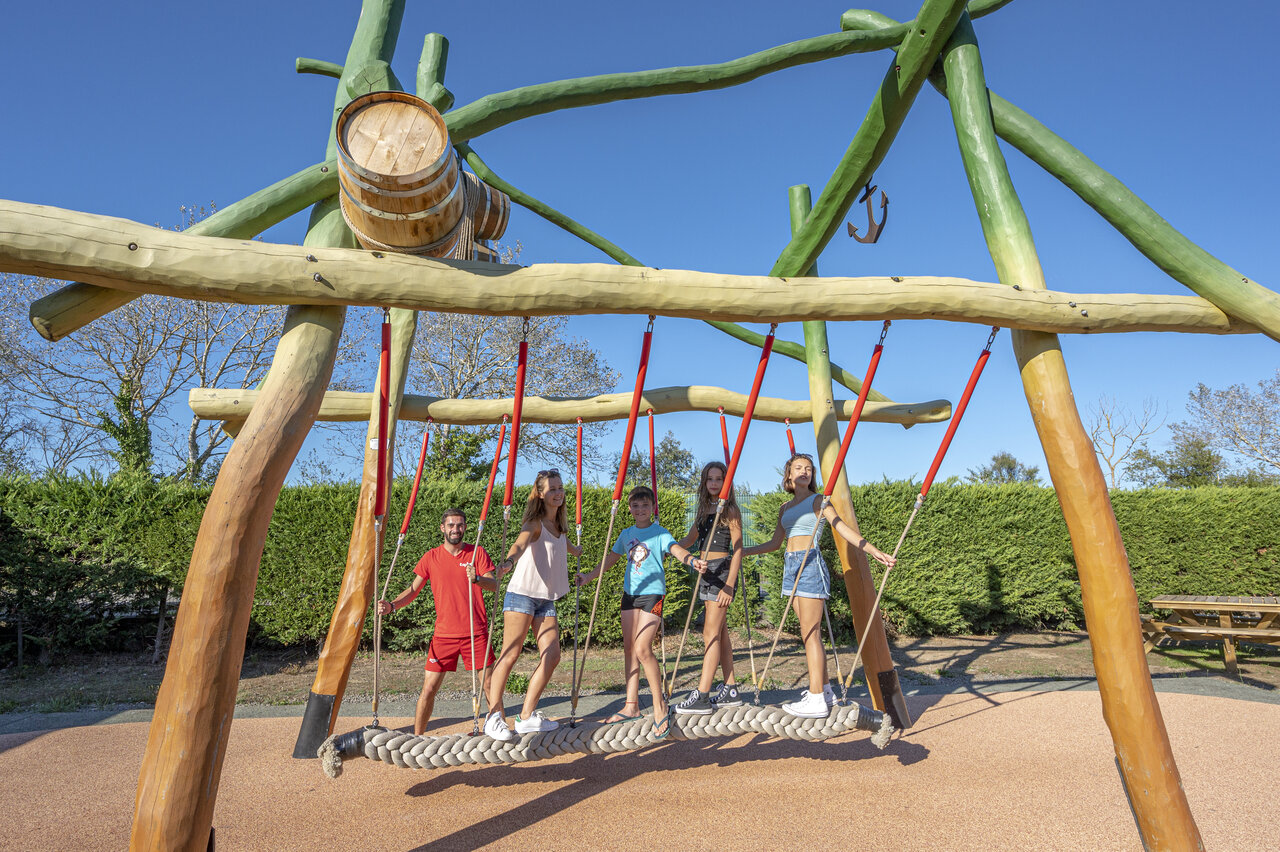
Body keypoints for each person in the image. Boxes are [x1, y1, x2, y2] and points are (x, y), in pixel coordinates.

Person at [743, 453, 896, 718]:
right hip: (791, 567)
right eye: (798, 467)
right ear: (789, 475)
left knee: (810, 633)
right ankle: (824, 690)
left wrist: (872, 550)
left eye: (809, 468)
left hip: (810, 565)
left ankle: (815, 699)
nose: (804, 471)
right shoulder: (784, 507)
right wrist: (742, 552)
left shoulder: (820, 501)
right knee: (808, 634)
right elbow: (775, 544)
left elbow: (843, 528)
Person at [576, 485, 705, 736]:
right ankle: (631, 705)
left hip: (652, 595)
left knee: (642, 648)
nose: (640, 509)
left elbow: (676, 550)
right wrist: (589, 576)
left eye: (645, 505)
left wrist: (692, 560)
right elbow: (611, 559)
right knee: (629, 649)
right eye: (636, 505)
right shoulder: (626, 534)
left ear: (652, 508)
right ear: (630, 509)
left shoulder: (659, 533)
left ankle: (659, 706)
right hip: (630, 596)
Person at [377, 508, 498, 735]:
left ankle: (497, 734)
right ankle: (417, 737)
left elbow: (494, 585)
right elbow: (413, 590)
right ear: (442, 528)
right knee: (429, 689)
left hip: (476, 632)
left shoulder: (477, 553)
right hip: (444, 635)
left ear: (465, 527)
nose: (456, 529)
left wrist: (478, 578)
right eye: (451, 525)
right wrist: (392, 606)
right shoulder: (431, 557)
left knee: (490, 687)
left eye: (460, 525)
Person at [483, 469, 582, 741]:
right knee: (510, 653)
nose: (558, 492)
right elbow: (520, 543)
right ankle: (493, 716)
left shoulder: (559, 527)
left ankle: (526, 717)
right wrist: (509, 562)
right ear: (540, 493)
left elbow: (564, 545)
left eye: (560, 487)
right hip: (522, 594)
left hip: (545, 599)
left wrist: (576, 551)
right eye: (552, 489)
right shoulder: (535, 522)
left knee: (552, 655)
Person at [672, 461, 745, 715]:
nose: (714, 483)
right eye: (710, 479)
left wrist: (729, 585)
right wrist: (666, 547)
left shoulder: (730, 510)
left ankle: (702, 694)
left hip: (722, 571)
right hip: (705, 570)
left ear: (726, 482)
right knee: (720, 633)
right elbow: (691, 540)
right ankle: (731, 688)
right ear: (704, 482)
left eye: (718, 479)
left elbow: (738, 549)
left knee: (710, 633)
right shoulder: (703, 509)